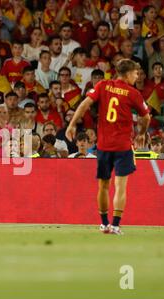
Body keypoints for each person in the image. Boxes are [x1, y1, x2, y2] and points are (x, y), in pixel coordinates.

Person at [66, 59, 151, 235]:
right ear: (127, 74)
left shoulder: (103, 85)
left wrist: (72, 124)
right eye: (136, 73)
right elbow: (147, 116)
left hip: (104, 145)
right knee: (120, 186)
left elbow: (84, 104)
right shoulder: (132, 93)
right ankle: (116, 225)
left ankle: (104, 224)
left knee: (103, 186)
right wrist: (142, 132)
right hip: (123, 147)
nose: (137, 76)